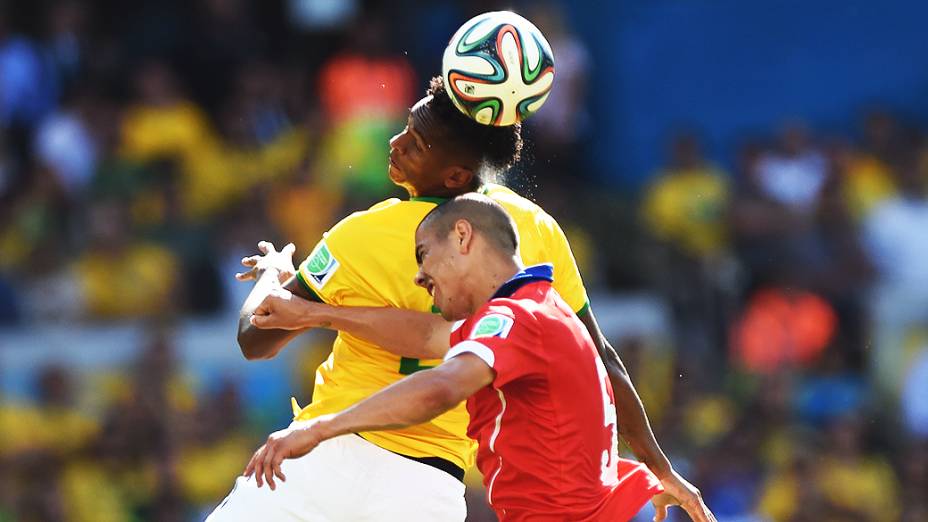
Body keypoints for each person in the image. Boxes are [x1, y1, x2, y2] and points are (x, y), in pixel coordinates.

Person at [209, 76, 706, 520]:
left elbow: (257, 340)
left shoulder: (360, 235)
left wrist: (277, 281)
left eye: (416, 142)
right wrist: (658, 465)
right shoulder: (530, 231)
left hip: (326, 459)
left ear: (462, 230)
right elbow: (443, 338)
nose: (396, 144)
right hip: (429, 491)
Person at [241, 195, 716, 521]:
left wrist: (320, 427)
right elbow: (428, 336)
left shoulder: (519, 320)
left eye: (424, 255)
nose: (420, 277)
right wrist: (309, 309)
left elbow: (442, 386)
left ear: (463, 238)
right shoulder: (534, 311)